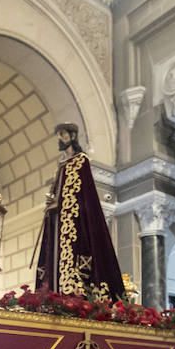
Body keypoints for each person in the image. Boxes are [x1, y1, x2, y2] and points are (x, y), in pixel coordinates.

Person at [32, 122, 125, 302]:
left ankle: (73, 295)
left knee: (75, 260)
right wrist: (52, 203)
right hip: (58, 223)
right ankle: (53, 296)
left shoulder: (80, 161)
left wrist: (59, 204)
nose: (61, 139)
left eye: (64, 135)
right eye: (59, 136)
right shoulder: (60, 165)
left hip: (74, 222)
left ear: (73, 137)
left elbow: (82, 194)